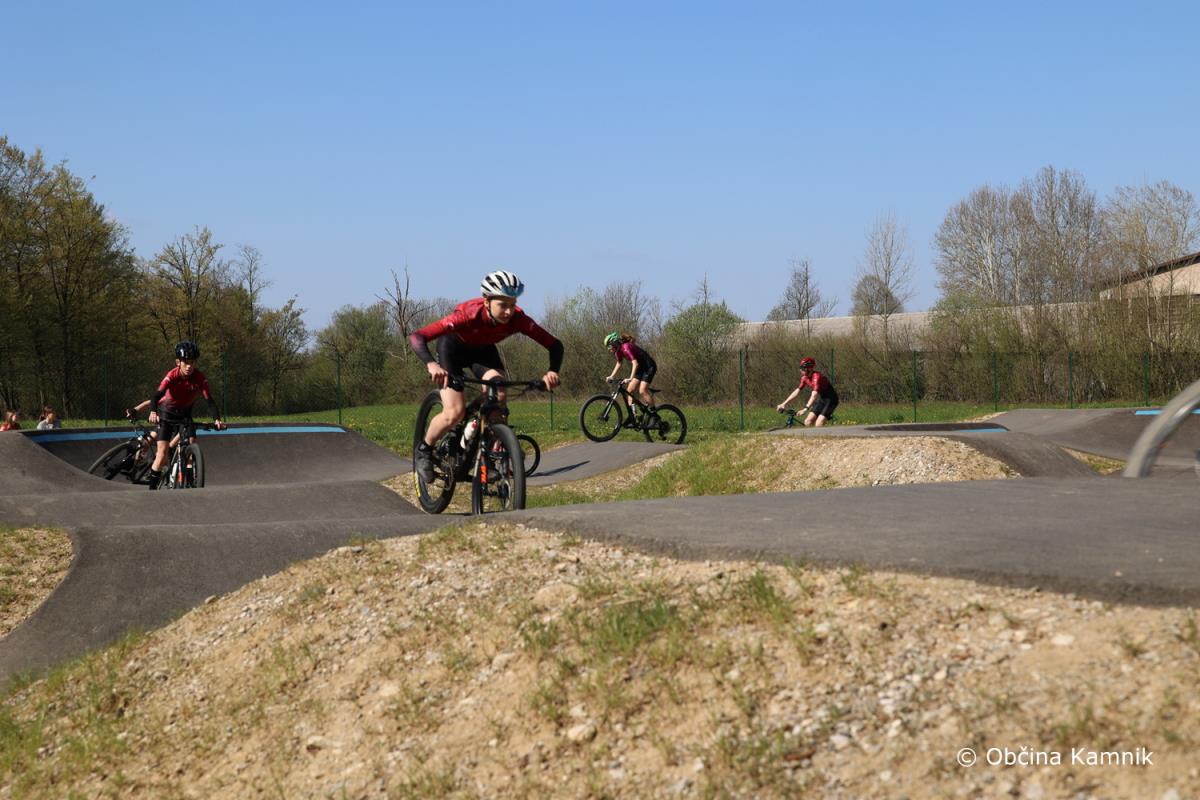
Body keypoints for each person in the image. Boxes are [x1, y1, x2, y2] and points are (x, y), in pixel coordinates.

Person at [408, 270, 563, 483]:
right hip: (453, 349)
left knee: (498, 396)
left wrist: (552, 371)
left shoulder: (518, 319)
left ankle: (487, 457)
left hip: (483, 352)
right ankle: (424, 450)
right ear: (487, 302)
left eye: (513, 304)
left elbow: (555, 345)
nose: (509, 311)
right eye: (503, 305)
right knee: (454, 412)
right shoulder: (466, 315)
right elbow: (417, 337)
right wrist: (432, 365)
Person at [138, 341, 226, 489]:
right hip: (167, 414)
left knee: (192, 442)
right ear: (178, 362)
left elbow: (209, 401)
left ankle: (191, 475)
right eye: (186, 362)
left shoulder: (200, 378)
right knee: (162, 454)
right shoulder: (172, 375)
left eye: (192, 362)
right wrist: (153, 412)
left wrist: (217, 420)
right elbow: (156, 396)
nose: (189, 366)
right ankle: (151, 491)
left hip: (185, 415)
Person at [603, 331, 658, 417]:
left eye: (609, 346)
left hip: (649, 366)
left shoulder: (626, 347)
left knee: (642, 390)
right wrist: (611, 376)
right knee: (629, 390)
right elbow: (619, 363)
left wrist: (630, 378)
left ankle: (654, 414)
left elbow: (635, 364)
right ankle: (633, 416)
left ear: (614, 343)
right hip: (641, 368)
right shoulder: (618, 351)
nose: (608, 349)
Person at [777, 356, 838, 427]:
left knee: (819, 423)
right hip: (822, 399)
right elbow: (797, 391)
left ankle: (827, 433)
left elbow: (814, 395)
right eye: (800, 368)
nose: (800, 370)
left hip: (831, 400)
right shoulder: (804, 378)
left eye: (803, 368)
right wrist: (784, 403)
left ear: (809, 368)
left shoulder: (817, 377)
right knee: (807, 422)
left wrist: (805, 409)